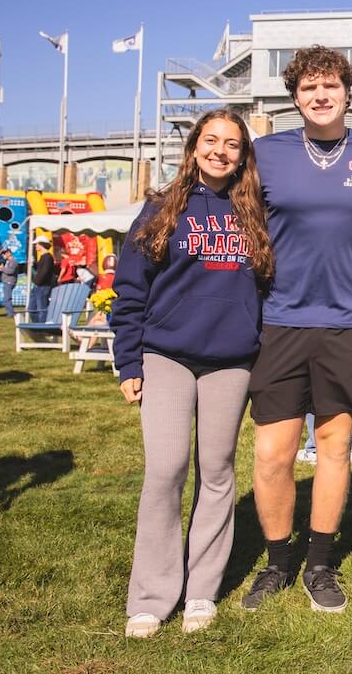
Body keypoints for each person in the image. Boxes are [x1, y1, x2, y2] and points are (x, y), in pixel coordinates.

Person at [243, 45, 352, 613]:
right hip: (279, 321)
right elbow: (244, 229)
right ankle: (276, 563)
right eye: (308, 87)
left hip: (349, 323)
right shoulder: (264, 153)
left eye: (329, 85)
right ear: (294, 97)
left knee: (335, 447)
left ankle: (318, 565)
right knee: (273, 452)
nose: (320, 95)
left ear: (347, 91)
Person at [111, 109, 272, 638]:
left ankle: (202, 590)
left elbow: (269, 288)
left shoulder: (256, 212)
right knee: (165, 470)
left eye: (231, 144)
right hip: (167, 354)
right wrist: (129, 360)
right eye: (211, 141)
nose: (220, 151)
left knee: (218, 470)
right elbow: (131, 290)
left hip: (231, 360)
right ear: (194, 147)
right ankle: (152, 597)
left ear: (242, 154)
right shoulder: (161, 208)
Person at [27, 238, 56, 320]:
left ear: (41, 244)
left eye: (37, 244)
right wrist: (34, 264)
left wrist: (37, 282)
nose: (35, 246)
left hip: (43, 285)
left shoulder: (47, 257)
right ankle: (37, 326)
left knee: (41, 308)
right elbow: (41, 269)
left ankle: (42, 326)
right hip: (38, 285)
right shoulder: (43, 257)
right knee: (31, 308)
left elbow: (45, 271)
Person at [0, 249, 20, 318]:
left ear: (8, 253)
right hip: (6, 281)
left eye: (4, 254)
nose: (3, 256)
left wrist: (2, 268)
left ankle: (11, 313)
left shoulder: (13, 261)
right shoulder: (8, 261)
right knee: (6, 298)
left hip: (9, 282)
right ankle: (10, 313)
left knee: (7, 299)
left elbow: (11, 271)